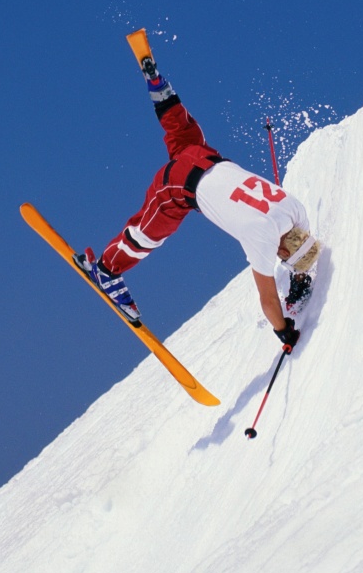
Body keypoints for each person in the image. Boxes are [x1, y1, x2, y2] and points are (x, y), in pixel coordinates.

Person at [74, 30, 321, 349]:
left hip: (204, 156)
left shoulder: (295, 210)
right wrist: (284, 331)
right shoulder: (261, 237)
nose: (279, 257)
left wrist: (300, 274)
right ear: (284, 249)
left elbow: (298, 245)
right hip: (179, 185)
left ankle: (156, 81)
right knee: (149, 233)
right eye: (283, 258)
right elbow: (268, 300)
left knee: (181, 128)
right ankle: (107, 270)